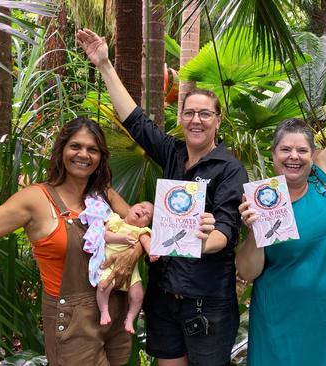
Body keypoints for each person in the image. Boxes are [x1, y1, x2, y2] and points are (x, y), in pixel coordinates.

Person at [77, 29, 248, 366]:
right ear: (181, 117)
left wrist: (196, 239)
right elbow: (135, 120)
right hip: (163, 295)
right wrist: (105, 65)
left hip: (207, 300)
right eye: (189, 113)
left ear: (217, 120)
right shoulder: (172, 152)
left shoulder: (230, 170)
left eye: (204, 114)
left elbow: (224, 232)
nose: (196, 120)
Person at [0, 117, 140, 365]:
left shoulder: (104, 194)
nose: (83, 154)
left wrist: (133, 253)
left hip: (116, 313)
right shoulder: (36, 198)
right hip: (74, 321)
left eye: (92, 149)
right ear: (61, 150)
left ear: (100, 158)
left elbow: (140, 233)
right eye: (75, 146)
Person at [235, 34, 326, 365]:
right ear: (273, 155)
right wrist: (255, 232)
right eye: (285, 149)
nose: (294, 156)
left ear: (312, 153)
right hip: (285, 326)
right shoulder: (264, 199)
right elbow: (247, 270)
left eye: (302, 150)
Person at [79, 198, 153, 333]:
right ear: (129, 208)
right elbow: (105, 236)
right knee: (103, 286)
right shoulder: (116, 221)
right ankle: (104, 310)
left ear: (146, 224)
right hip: (109, 265)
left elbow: (147, 241)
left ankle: (130, 318)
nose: (143, 211)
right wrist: (122, 239)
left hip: (132, 271)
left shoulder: (141, 231)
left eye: (147, 215)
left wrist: (151, 252)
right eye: (141, 206)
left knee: (138, 295)